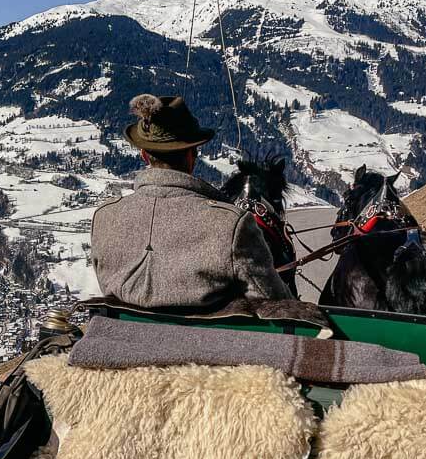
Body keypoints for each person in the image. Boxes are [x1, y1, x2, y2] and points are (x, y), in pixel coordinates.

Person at [90, 94, 292, 310]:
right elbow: (275, 303)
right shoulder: (231, 224)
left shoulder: (104, 217)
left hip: (116, 330)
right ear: (192, 156)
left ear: (144, 155)